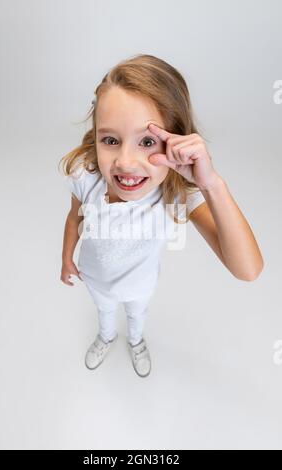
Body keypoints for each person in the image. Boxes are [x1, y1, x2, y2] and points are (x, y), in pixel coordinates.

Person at [59, 54, 264, 378]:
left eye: (147, 142)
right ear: (96, 135)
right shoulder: (86, 175)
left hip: (141, 284)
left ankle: (137, 341)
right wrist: (66, 258)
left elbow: (248, 270)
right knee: (104, 312)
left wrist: (211, 184)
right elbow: (74, 218)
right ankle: (107, 335)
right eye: (110, 140)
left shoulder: (175, 192)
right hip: (95, 278)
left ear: (177, 139)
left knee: (137, 316)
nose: (125, 161)